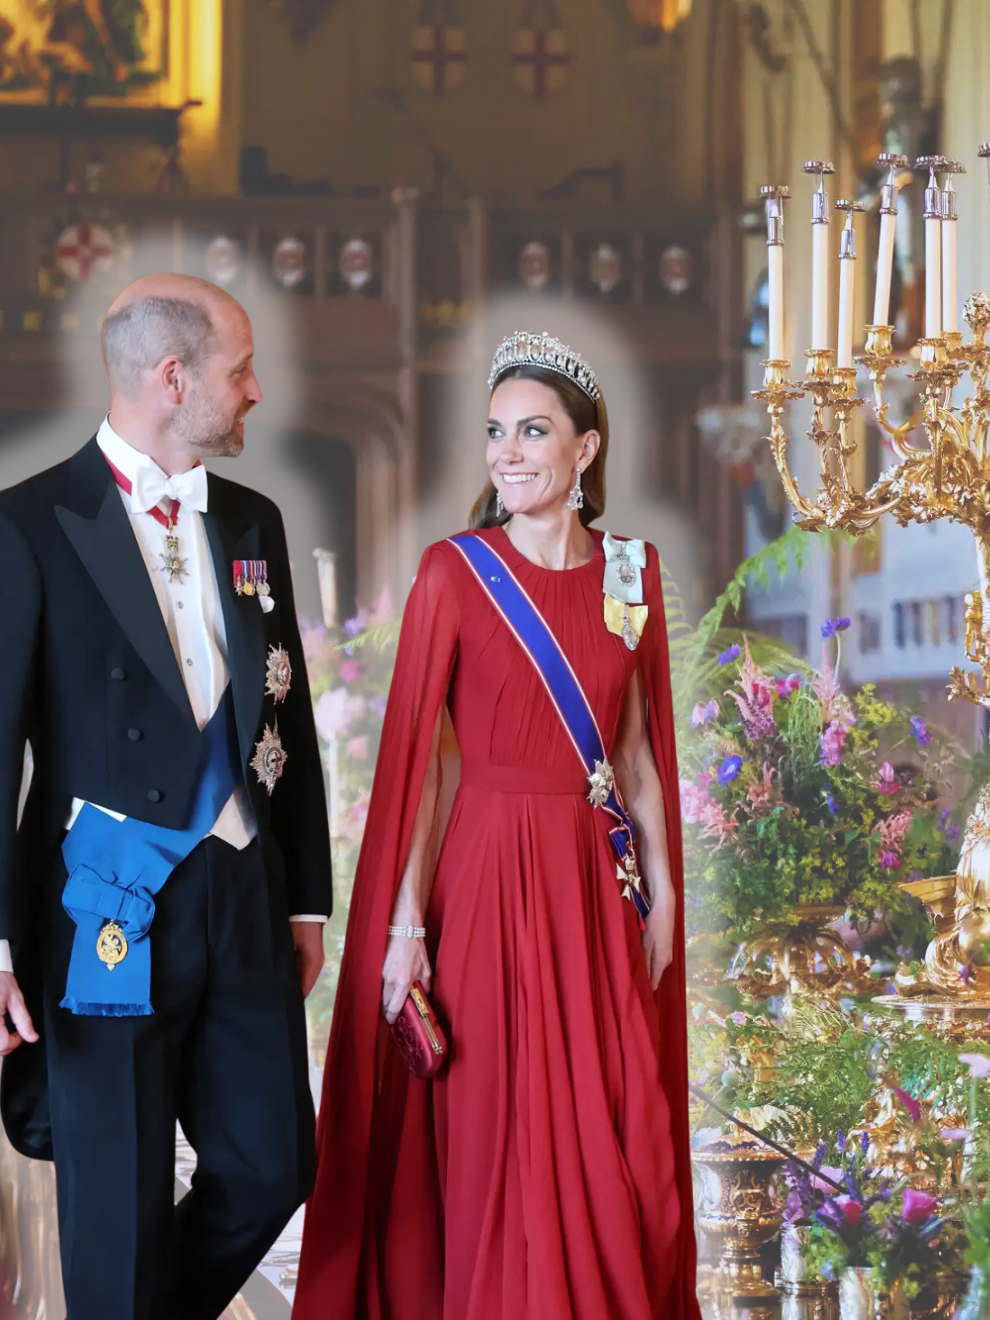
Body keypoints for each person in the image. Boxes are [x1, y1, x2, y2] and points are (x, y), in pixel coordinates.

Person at [0, 273, 332, 1320]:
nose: (254, 392)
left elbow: (282, 718)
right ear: (174, 377)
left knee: (272, 1164)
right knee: (117, 1204)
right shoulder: (24, 525)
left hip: (240, 894)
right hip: (104, 905)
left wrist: (305, 900)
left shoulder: (252, 521)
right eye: (239, 370)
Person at [294, 332, 698, 1320]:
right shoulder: (453, 573)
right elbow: (426, 770)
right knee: (492, 1129)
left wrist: (667, 899)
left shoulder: (631, 573)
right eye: (495, 433)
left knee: (620, 1130)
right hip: (481, 881)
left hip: (593, 884)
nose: (508, 452)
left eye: (533, 430)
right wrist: (403, 927)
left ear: (586, 451)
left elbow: (637, 755)